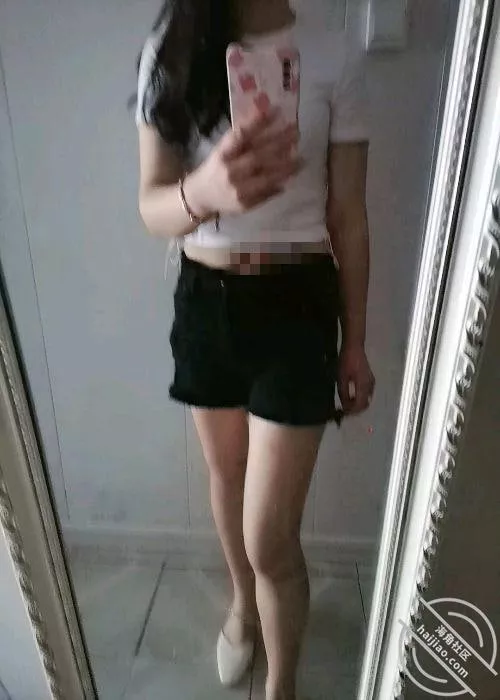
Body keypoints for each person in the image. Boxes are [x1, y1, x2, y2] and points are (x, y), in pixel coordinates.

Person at [135, 1, 375, 698]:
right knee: (226, 473)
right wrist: (205, 192)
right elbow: (151, 207)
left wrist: (356, 343)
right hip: (205, 299)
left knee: (271, 535)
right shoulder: (171, 48)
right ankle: (243, 603)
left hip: (298, 305)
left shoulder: (334, 52)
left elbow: (348, 216)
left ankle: (283, 686)